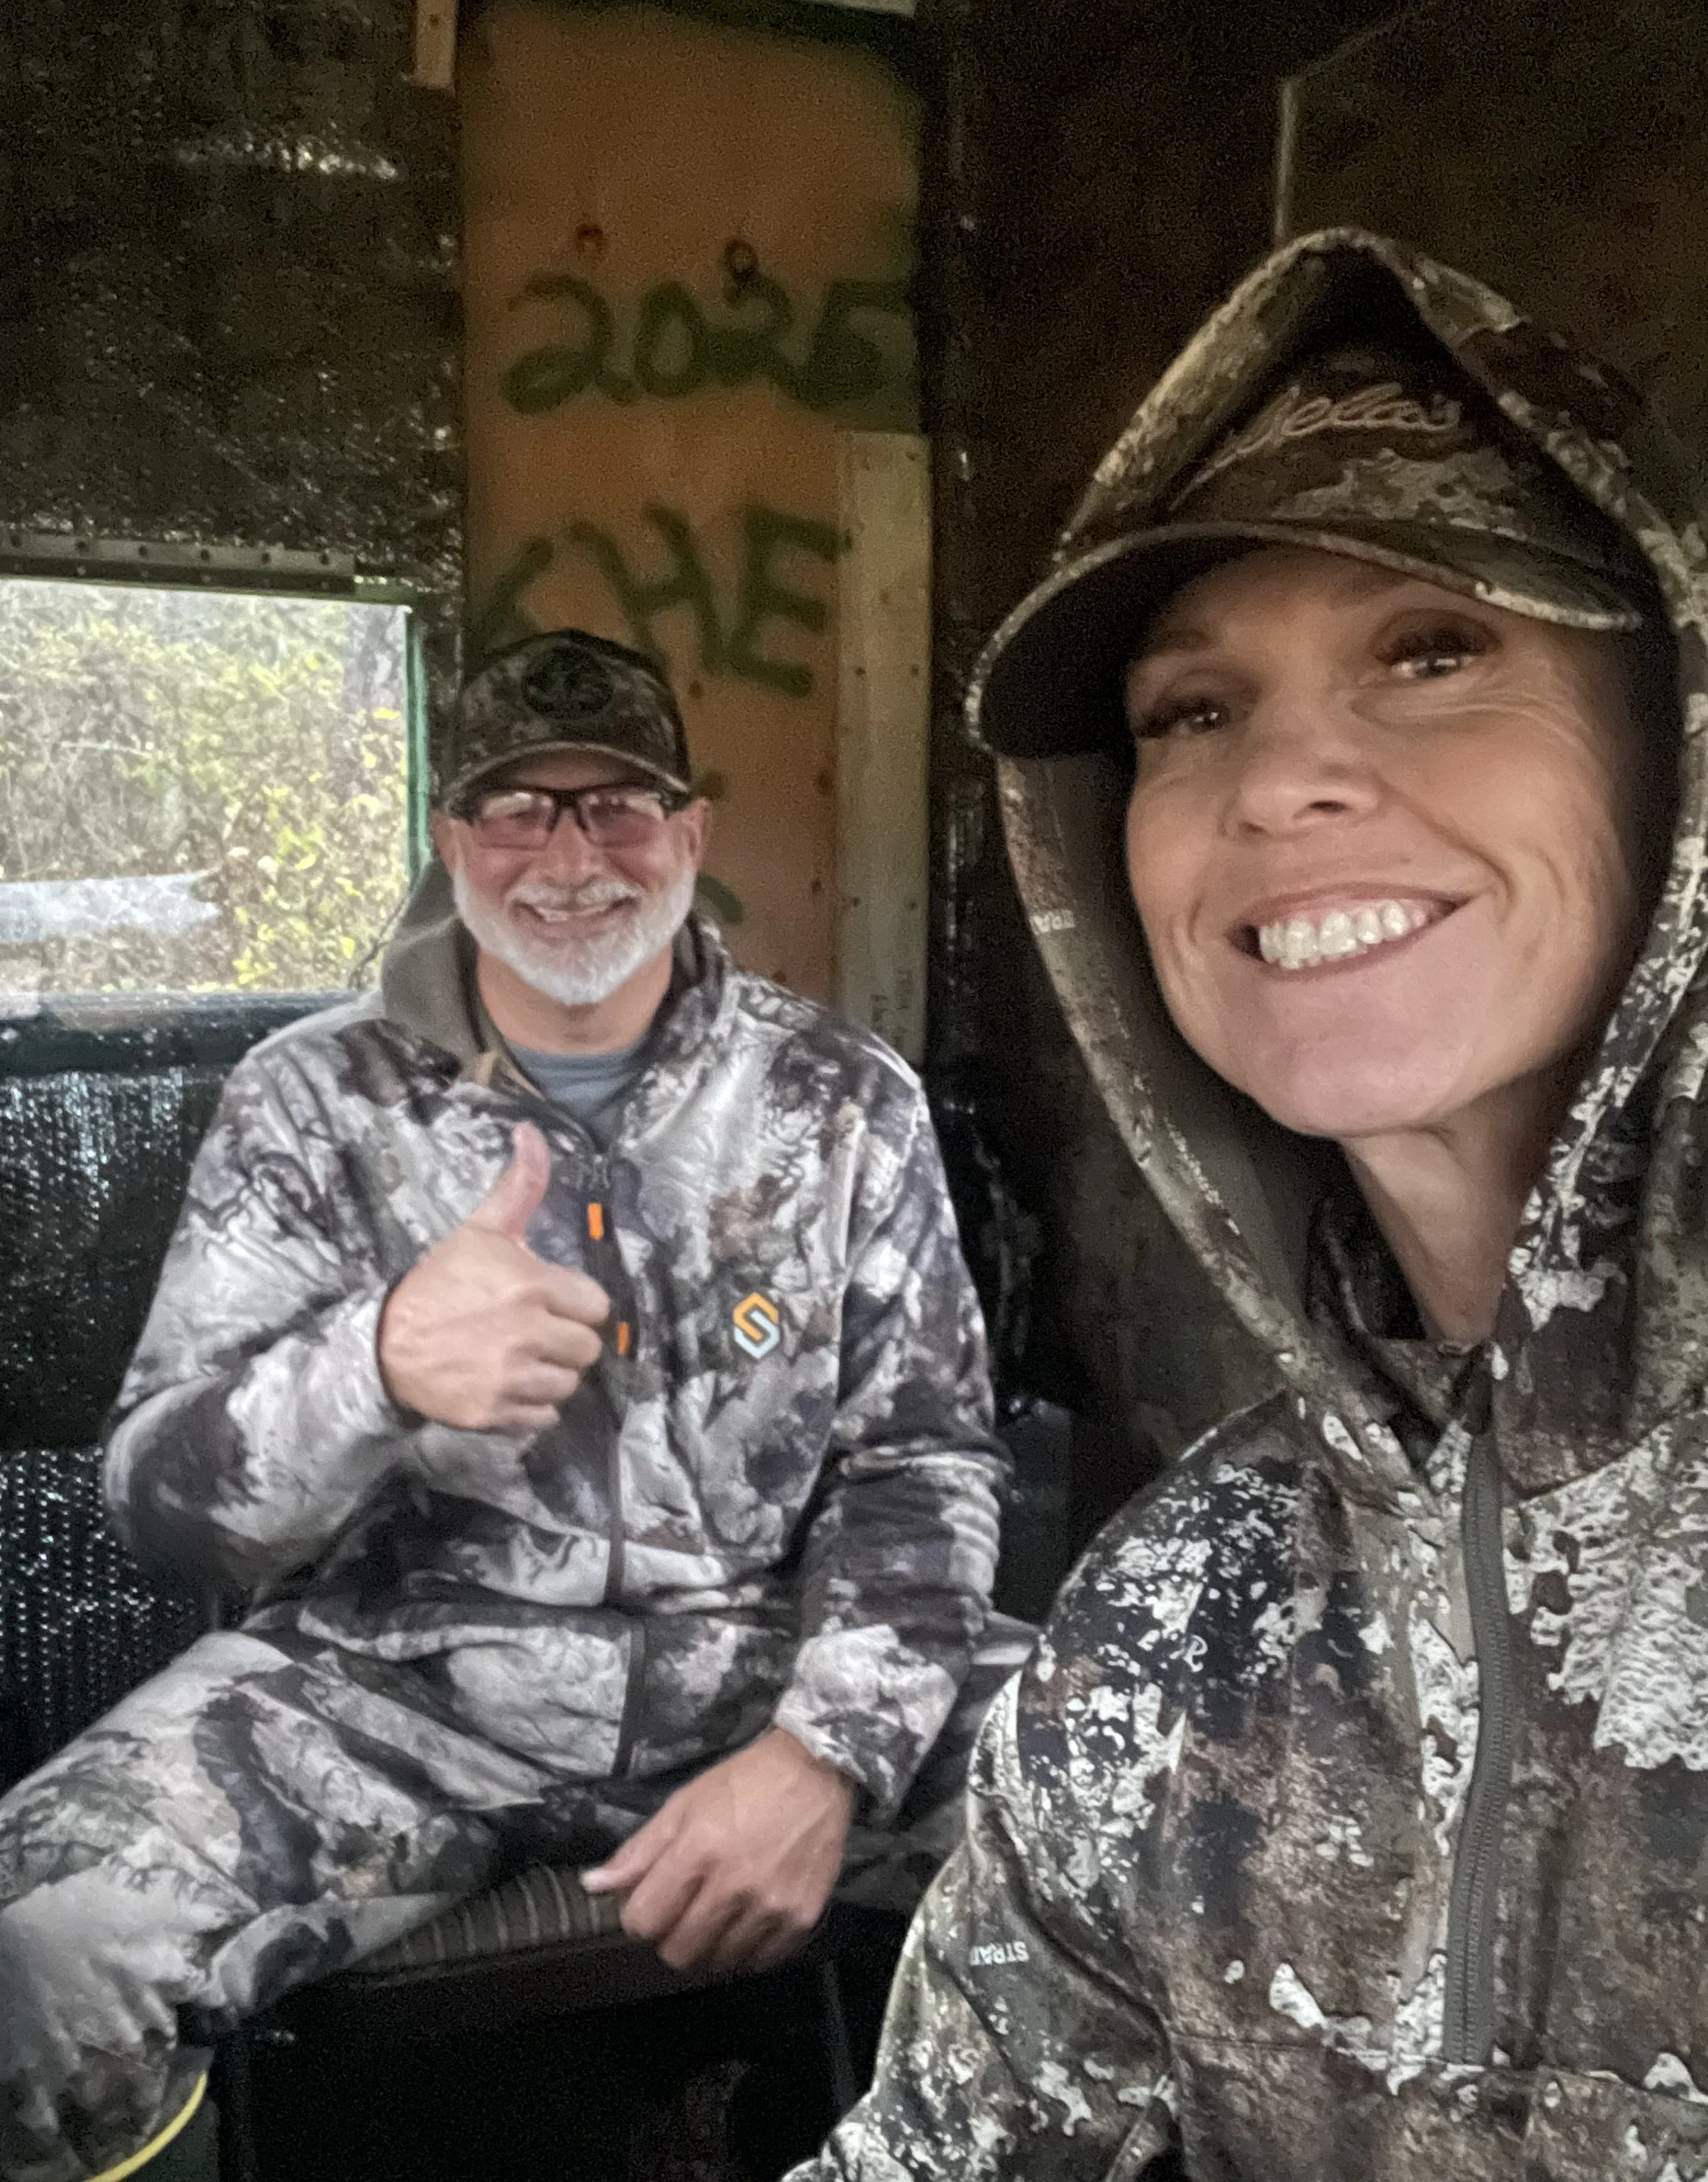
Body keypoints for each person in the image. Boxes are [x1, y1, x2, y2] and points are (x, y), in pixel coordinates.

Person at [794, 228, 1708, 2179]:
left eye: (1434, 648)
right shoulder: (1172, 1625)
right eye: (1188, 712)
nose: (1282, 772)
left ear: (1675, 753)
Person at [0, 629, 1027, 2182]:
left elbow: (925, 1454)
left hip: (760, 1659)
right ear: (451, 841)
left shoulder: (838, 1094)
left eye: (616, 805)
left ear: (688, 834)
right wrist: (375, 1367)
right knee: (39, 1940)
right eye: (517, 809)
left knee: (1167, 1795)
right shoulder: (310, 1098)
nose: (569, 854)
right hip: (389, 1692)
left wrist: (828, 1748)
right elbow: (154, 1499)